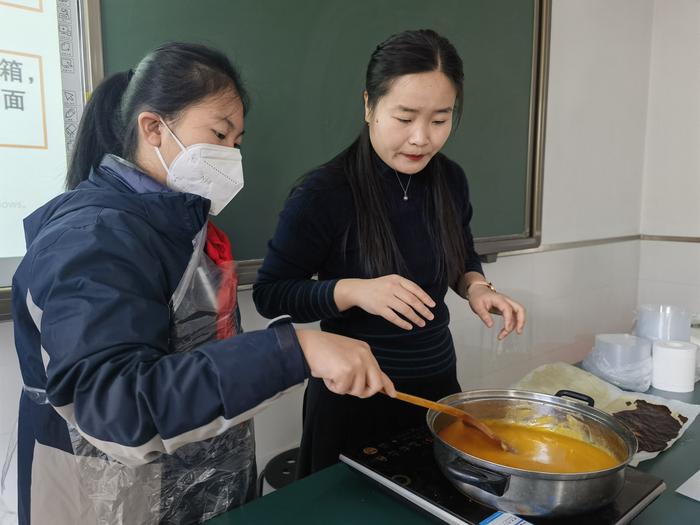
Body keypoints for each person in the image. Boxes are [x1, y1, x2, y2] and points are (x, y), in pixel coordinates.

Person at [11, 42, 395, 525]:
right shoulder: (93, 238)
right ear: (153, 127)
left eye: (236, 141)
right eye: (218, 134)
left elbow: (199, 363)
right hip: (106, 500)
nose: (231, 155)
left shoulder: (187, 228)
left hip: (195, 480)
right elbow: (115, 406)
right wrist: (292, 350)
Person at [253, 29, 526, 477]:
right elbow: (271, 295)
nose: (421, 138)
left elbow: (461, 255)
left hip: (437, 388)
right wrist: (354, 291)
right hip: (354, 396)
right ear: (369, 106)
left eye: (440, 119)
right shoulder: (323, 192)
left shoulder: (451, 179)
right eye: (404, 117)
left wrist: (476, 286)